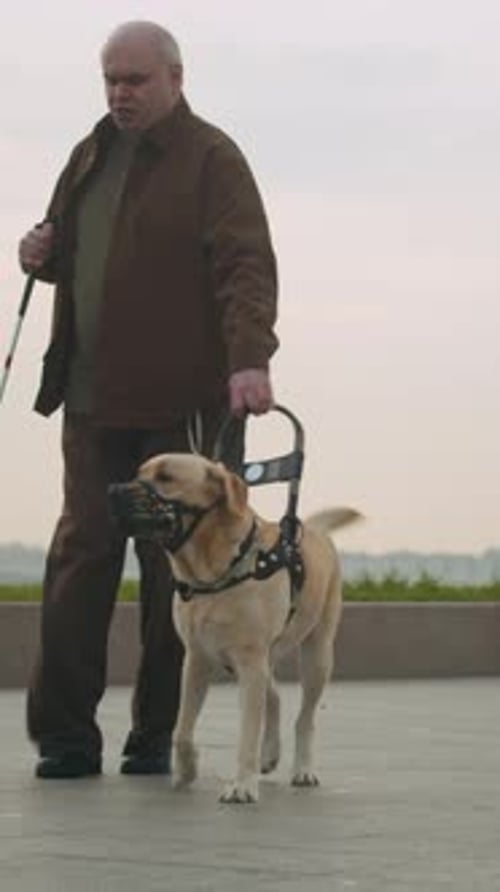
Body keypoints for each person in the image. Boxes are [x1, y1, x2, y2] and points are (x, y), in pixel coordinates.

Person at [18, 20, 278, 779]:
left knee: (182, 572)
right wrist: (41, 254)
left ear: (175, 77)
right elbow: (79, 253)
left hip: (185, 409)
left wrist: (249, 360)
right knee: (79, 559)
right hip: (93, 400)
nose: (120, 93)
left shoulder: (213, 159)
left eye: (134, 80)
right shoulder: (90, 154)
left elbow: (246, 266)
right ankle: (65, 740)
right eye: (110, 79)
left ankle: (157, 738)